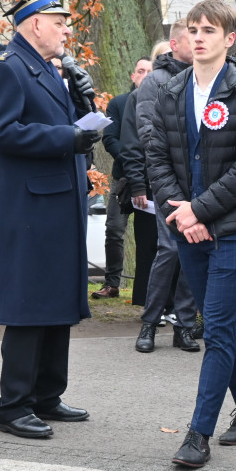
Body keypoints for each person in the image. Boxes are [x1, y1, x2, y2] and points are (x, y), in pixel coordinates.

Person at [146, 0, 236, 468]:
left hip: (232, 227)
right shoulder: (171, 91)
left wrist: (201, 210)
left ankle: (198, 433)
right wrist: (181, 214)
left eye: (209, 30)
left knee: (215, 326)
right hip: (186, 227)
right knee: (218, 324)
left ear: (229, 39)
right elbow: (156, 157)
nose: (198, 37)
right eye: (192, 29)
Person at [0, 0, 100, 439]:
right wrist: (67, 137)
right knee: (29, 303)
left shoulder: (48, 69)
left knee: (55, 299)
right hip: (28, 205)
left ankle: (47, 395)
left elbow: (64, 125)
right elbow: (2, 133)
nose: (66, 29)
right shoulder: (10, 70)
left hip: (57, 200)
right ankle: (13, 405)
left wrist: (85, 108)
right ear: (35, 25)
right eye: (60, 22)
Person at [123, 22, 199, 350]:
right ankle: (150, 323)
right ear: (174, 43)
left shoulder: (207, 77)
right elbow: (148, 133)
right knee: (169, 249)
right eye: (190, 38)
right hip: (168, 178)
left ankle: (184, 324)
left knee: (193, 251)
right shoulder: (155, 80)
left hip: (200, 181)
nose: (198, 44)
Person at [91, 56, 152, 299]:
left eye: (150, 70)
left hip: (151, 179)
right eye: (140, 70)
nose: (145, 75)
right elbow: (110, 139)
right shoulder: (118, 103)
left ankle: (147, 287)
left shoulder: (162, 101)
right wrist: (131, 161)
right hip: (124, 179)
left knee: (149, 236)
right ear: (133, 76)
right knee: (114, 229)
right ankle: (112, 283)